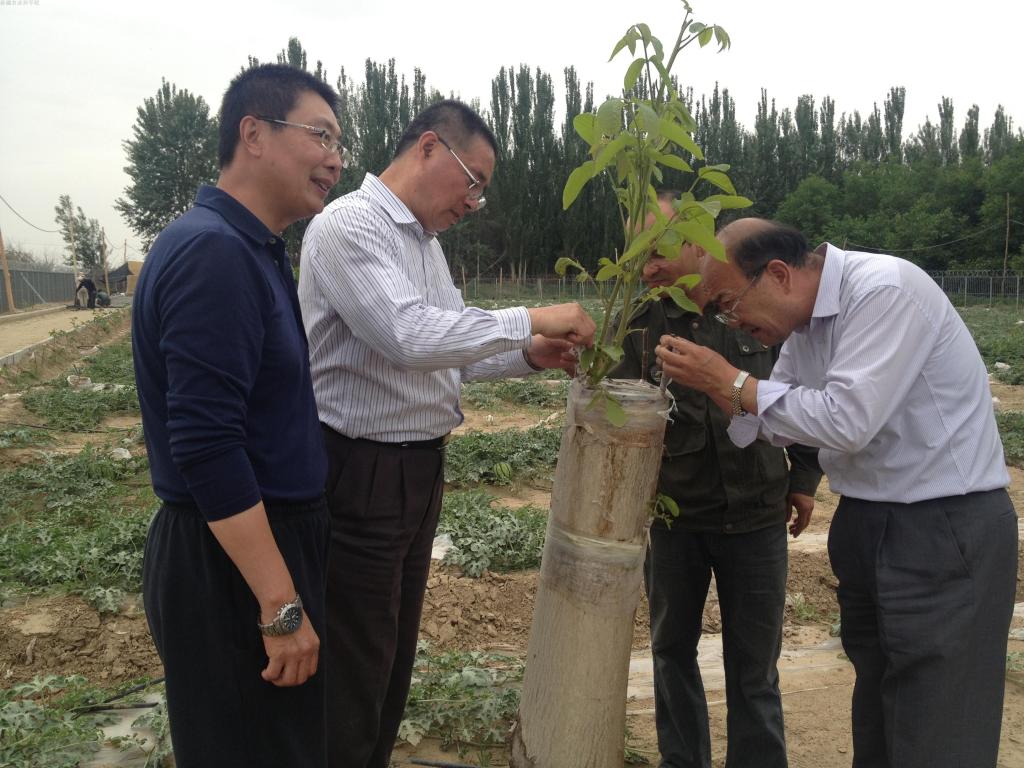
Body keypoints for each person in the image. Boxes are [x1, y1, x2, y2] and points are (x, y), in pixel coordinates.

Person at [298, 99, 596, 768]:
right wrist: (531, 317)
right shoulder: (350, 226)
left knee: (391, 656)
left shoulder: (425, 247)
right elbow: (409, 336)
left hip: (416, 471)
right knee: (355, 664)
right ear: (429, 147)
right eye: (473, 182)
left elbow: (450, 351)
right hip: (360, 471)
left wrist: (529, 355)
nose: (473, 203)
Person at [655, 218, 1018, 768]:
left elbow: (846, 421)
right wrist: (725, 388)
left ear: (778, 274)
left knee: (939, 716)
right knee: (879, 702)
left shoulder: (884, 292)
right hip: (869, 520)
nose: (733, 322)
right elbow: (775, 420)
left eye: (729, 304)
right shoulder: (804, 327)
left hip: (942, 526)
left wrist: (730, 381)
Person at [131, 63, 344, 767]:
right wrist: (279, 605)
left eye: (340, 144)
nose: (336, 160)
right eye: (320, 136)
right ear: (253, 134)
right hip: (233, 564)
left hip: (253, 548)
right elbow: (208, 445)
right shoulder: (214, 254)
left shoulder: (252, 249)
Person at [613, 195, 821, 768]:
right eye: (638, 256)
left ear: (692, 242)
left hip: (757, 515)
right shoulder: (637, 324)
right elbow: (614, 414)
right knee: (671, 653)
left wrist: (804, 477)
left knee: (754, 667)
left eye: (657, 253)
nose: (648, 268)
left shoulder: (755, 304)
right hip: (674, 520)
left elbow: (798, 393)